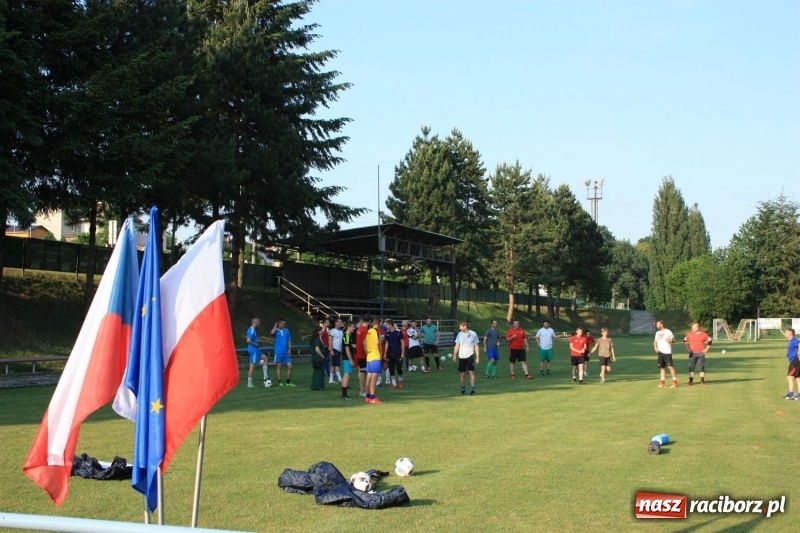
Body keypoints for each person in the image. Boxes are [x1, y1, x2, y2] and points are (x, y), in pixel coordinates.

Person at [452, 321, 480, 395]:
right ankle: (463, 387)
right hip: (461, 356)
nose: (459, 327)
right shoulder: (459, 334)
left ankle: (472, 389)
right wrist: (454, 354)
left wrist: (477, 357)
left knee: (471, 373)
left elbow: (476, 346)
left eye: (460, 326)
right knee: (462, 374)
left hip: (470, 355)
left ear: (465, 326)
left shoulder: (473, 334)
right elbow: (457, 345)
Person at [364, 317, 383, 404]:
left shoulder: (369, 331)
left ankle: (367, 396)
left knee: (369, 376)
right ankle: (372, 397)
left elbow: (365, 342)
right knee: (374, 377)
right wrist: (380, 352)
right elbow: (376, 343)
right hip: (375, 355)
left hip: (369, 356)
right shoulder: (376, 331)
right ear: (378, 324)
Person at [654, 320, 678, 388]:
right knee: (662, 368)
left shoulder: (668, 331)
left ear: (662, 325)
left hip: (667, 352)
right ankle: (662, 382)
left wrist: (671, 341)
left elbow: (674, 340)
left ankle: (675, 382)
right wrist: (655, 347)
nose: (657, 326)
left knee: (670, 367)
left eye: (658, 324)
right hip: (660, 352)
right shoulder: (657, 333)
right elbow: (655, 341)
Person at [272, 318, 295, 387]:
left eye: (285, 324)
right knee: (279, 367)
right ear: (279, 323)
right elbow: (271, 333)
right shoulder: (276, 330)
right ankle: (280, 382)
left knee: (290, 366)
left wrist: (289, 350)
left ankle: (288, 382)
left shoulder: (287, 331)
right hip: (278, 352)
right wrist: (275, 326)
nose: (284, 325)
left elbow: (289, 340)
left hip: (286, 352)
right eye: (283, 324)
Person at [383, 320, 406, 389]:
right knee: (391, 368)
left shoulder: (398, 332)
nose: (386, 326)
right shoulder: (387, 333)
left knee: (399, 368)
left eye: (387, 325)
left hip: (398, 353)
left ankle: (401, 380)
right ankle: (394, 383)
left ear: (391, 325)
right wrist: (385, 353)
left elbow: (402, 342)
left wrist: (402, 352)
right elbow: (387, 343)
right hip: (390, 353)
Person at [246, 317, 264, 388]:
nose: (259, 323)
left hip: (255, 350)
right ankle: (249, 384)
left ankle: (265, 377)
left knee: (265, 358)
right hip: (253, 350)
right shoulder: (252, 330)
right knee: (252, 366)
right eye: (258, 322)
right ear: (255, 322)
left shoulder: (251, 329)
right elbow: (248, 340)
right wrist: (255, 344)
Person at [355, 314, 370, 397]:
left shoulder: (359, 329)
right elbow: (364, 343)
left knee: (362, 372)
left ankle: (362, 389)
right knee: (363, 373)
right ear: (369, 321)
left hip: (359, 353)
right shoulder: (364, 329)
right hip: (363, 354)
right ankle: (362, 390)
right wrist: (368, 353)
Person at [783, 328, 800, 400]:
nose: (785, 333)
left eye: (786, 332)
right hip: (794, 360)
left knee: (790, 377)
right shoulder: (791, 341)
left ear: (790, 333)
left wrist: (799, 353)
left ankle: (790, 394)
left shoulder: (794, 340)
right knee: (798, 378)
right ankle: (798, 395)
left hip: (795, 361)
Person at [341, 321, 356, 400]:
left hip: (346, 358)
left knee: (347, 375)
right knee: (347, 375)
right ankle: (344, 394)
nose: (354, 328)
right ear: (348, 327)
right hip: (347, 358)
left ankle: (343, 394)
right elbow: (347, 349)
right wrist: (350, 360)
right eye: (353, 327)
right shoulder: (347, 335)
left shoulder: (348, 335)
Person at [310, 325, 326, 391]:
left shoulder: (316, 339)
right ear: (318, 331)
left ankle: (315, 385)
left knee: (316, 371)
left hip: (315, 357)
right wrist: (322, 356)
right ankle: (317, 385)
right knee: (319, 371)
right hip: (317, 357)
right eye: (321, 330)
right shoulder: (317, 339)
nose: (322, 331)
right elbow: (317, 349)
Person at [328, 317, 344, 384]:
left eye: (341, 322)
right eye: (340, 322)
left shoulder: (341, 332)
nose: (341, 323)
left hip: (339, 350)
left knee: (334, 364)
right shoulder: (332, 331)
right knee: (337, 364)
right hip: (334, 349)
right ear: (336, 323)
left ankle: (331, 379)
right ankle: (339, 378)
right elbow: (330, 340)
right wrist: (331, 350)